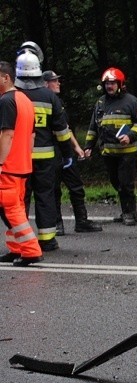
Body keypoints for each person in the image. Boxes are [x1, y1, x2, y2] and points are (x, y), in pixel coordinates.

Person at [15, 50, 73, 252]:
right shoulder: (49, 96)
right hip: (46, 158)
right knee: (45, 196)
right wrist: (67, 154)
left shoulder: (12, 96)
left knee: (20, 199)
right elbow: (62, 131)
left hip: (20, 159)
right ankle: (47, 239)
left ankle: (22, 239)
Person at [83, 67, 137, 226]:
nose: (109, 86)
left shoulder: (131, 101)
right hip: (108, 152)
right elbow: (93, 127)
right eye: (107, 83)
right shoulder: (100, 103)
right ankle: (127, 210)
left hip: (126, 152)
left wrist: (130, 136)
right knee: (116, 182)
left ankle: (129, 213)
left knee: (126, 183)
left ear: (120, 84)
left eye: (112, 83)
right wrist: (88, 146)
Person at [43, 70, 102, 233]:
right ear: (45, 84)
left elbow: (65, 129)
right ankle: (57, 223)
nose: (58, 83)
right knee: (54, 188)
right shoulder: (43, 102)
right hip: (52, 150)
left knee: (76, 186)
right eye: (54, 81)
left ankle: (81, 221)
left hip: (65, 150)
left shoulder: (58, 102)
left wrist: (76, 148)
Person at [0, 60, 43, 266]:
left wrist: (0, 162)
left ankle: (30, 250)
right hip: (22, 165)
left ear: (6, 77)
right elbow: (32, 136)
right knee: (11, 207)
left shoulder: (6, 101)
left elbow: (7, 134)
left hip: (8, 166)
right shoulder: (25, 100)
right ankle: (16, 248)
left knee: (11, 210)